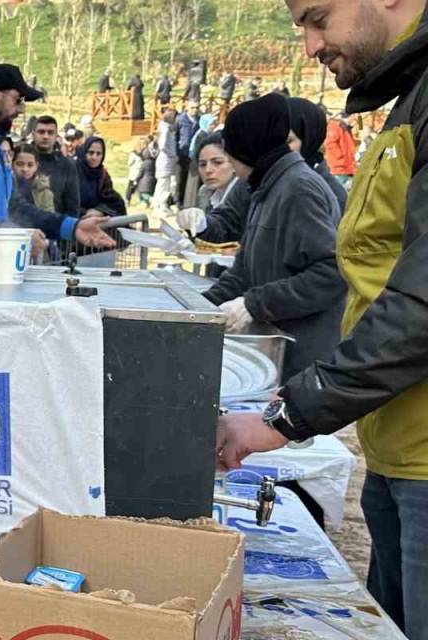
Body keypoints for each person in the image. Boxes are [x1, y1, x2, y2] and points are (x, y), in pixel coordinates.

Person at [216, 4, 428, 638]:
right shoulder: (407, 99)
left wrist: (289, 415)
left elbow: (417, 304)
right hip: (394, 445)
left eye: (318, 17)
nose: (310, 45)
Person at [201, 94, 345, 380]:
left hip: (301, 357)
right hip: (270, 352)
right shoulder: (263, 187)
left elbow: (333, 272)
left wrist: (255, 304)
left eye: (230, 156)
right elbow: (242, 272)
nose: (230, 165)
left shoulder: (298, 189)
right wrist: (200, 308)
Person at [0, 65, 114, 248]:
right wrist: (15, 237)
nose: (22, 109)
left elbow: (15, 208)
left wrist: (72, 227)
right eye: (18, 100)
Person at [178, 133, 253, 244]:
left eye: (217, 162)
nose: (208, 170)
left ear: (235, 163)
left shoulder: (248, 191)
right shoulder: (204, 193)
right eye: (202, 164)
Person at [287, 97, 349, 211]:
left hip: (340, 167)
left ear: (308, 139)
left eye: (287, 141)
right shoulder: (263, 181)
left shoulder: (330, 194)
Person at [30, 116, 81, 215]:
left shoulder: (66, 166)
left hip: (56, 226)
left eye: (50, 132)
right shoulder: (22, 161)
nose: (45, 136)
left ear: (56, 136)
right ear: (33, 134)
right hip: (24, 225)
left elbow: (72, 206)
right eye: (41, 132)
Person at [74, 136, 127, 216]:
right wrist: (85, 213)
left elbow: (114, 201)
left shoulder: (103, 175)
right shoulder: (72, 171)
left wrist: (100, 211)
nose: (94, 157)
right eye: (91, 153)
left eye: (98, 154)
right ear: (84, 152)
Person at [183, 114, 218, 207]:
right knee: (193, 190)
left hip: (199, 165)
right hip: (196, 166)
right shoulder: (201, 135)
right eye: (211, 124)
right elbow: (198, 152)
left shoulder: (205, 134)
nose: (213, 126)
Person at [11, 143, 55, 213]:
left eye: (30, 165)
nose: (25, 169)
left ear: (36, 166)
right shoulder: (6, 188)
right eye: (20, 164)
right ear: (12, 165)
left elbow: (49, 219)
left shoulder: (44, 193)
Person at [153, 109, 180, 214]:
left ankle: (162, 205)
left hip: (167, 160)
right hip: (165, 160)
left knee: (166, 183)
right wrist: (172, 154)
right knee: (163, 184)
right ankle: (158, 206)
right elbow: (162, 145)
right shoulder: (165, 128)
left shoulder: (167, 127)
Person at [324, 110, 357, 188]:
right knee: (340, 190)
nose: (355, 119)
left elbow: (361, 129)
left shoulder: (345, 127)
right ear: (351, 116)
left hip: (346, 166)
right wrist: (340, 157)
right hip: (340, 166)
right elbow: (330, 143)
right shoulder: (336, 126)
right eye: (354, 116)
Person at [176, 104, 201, 207]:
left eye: (196, 107)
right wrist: (176, 151)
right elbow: (175, 135)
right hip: (182, 153)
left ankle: (185, 201)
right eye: (192, 107)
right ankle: (177, 200)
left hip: (192, 154)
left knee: (189, 178)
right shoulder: (180, 119)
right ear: (187, 108)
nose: (195, 110)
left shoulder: (199, 120)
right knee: (179, 178)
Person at [137, 135, 158, 206]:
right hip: (152, 181)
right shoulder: (154, 162)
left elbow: (140, 173)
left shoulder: (144, 163)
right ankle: (148, 202)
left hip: (144, 182)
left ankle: (149, 201)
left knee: (143, 193)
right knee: (148, 192)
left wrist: (136, 179)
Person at [125, 137, 146, 205]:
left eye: (144, 143)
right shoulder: (133, 153)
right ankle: (127, 200)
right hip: (134, 173)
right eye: (141, 143)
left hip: (141, 173)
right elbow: (129, 163)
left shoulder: (145, 153)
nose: (143, 145)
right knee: (131, 188)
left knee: (140, 188)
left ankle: (143, 201)